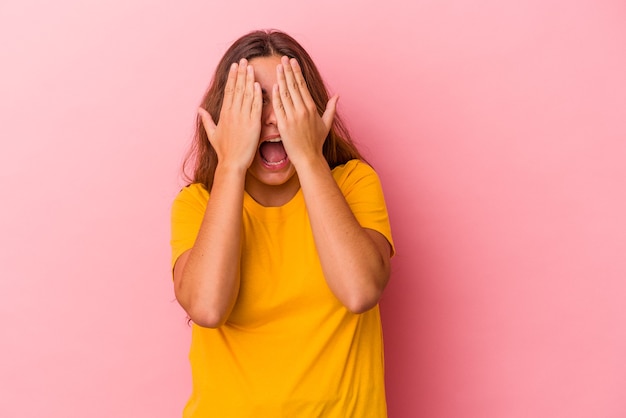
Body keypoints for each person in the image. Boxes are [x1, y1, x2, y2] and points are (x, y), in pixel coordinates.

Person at [170, 29, 395, 417]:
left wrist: (309, 155)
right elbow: (207, 308)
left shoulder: (354, 183)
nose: (274, 118)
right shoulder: (197, 204)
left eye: (289, 99)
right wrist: (230, 164)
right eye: (253, 102)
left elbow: (360, 292)